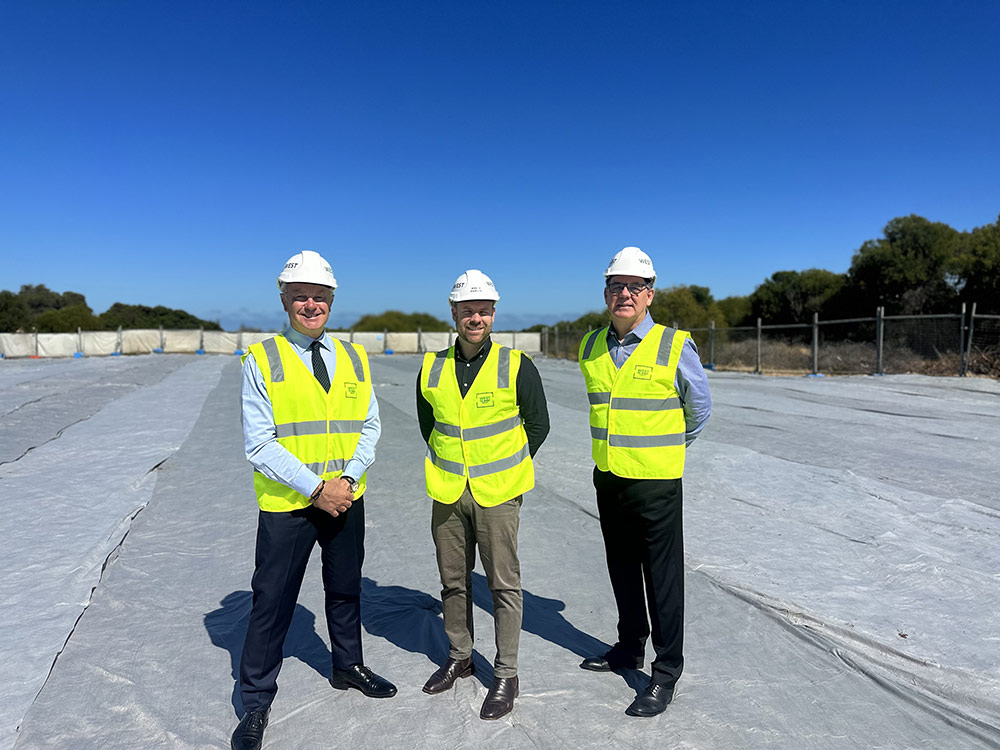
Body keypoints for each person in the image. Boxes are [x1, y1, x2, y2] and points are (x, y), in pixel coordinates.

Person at [231, 250, 396, 750]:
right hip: (290, 504)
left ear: (332, 300)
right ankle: (255, 701)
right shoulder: (262, 359)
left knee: (345, 589)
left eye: (320, 296)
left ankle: (347, 666)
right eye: (301, 296)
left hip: (346, 496)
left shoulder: (353, 356)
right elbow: (259, 442)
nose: (311, 304)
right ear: (284, 299)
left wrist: (345, 479)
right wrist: (316, 488)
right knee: (272, 602)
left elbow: (369, 424)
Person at [577, 246, 711, 717]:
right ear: (606, 294)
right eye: (617, 287)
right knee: (621, 569)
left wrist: (668, 450)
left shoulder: (675, 344)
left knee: (663, 580)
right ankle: (629, 647)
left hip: (655, 483)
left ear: (650, 294)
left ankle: (665, 671)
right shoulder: (590, 345)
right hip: (609, 478)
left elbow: (699, 410)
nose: (625, 294)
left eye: (635, 287)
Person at [415, 269, 550, 720]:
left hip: (498, 495)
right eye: (467, 310)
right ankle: (460, 657)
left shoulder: (516, 365)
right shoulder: (431, 367)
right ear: (453, 312)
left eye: (483, 310)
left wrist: (507, 468)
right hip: (449, 493)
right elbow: (428, 426)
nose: (476, 317)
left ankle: (506, 673)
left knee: (503, 585)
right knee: (453, 582)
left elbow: (538, 425)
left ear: (493, 314)